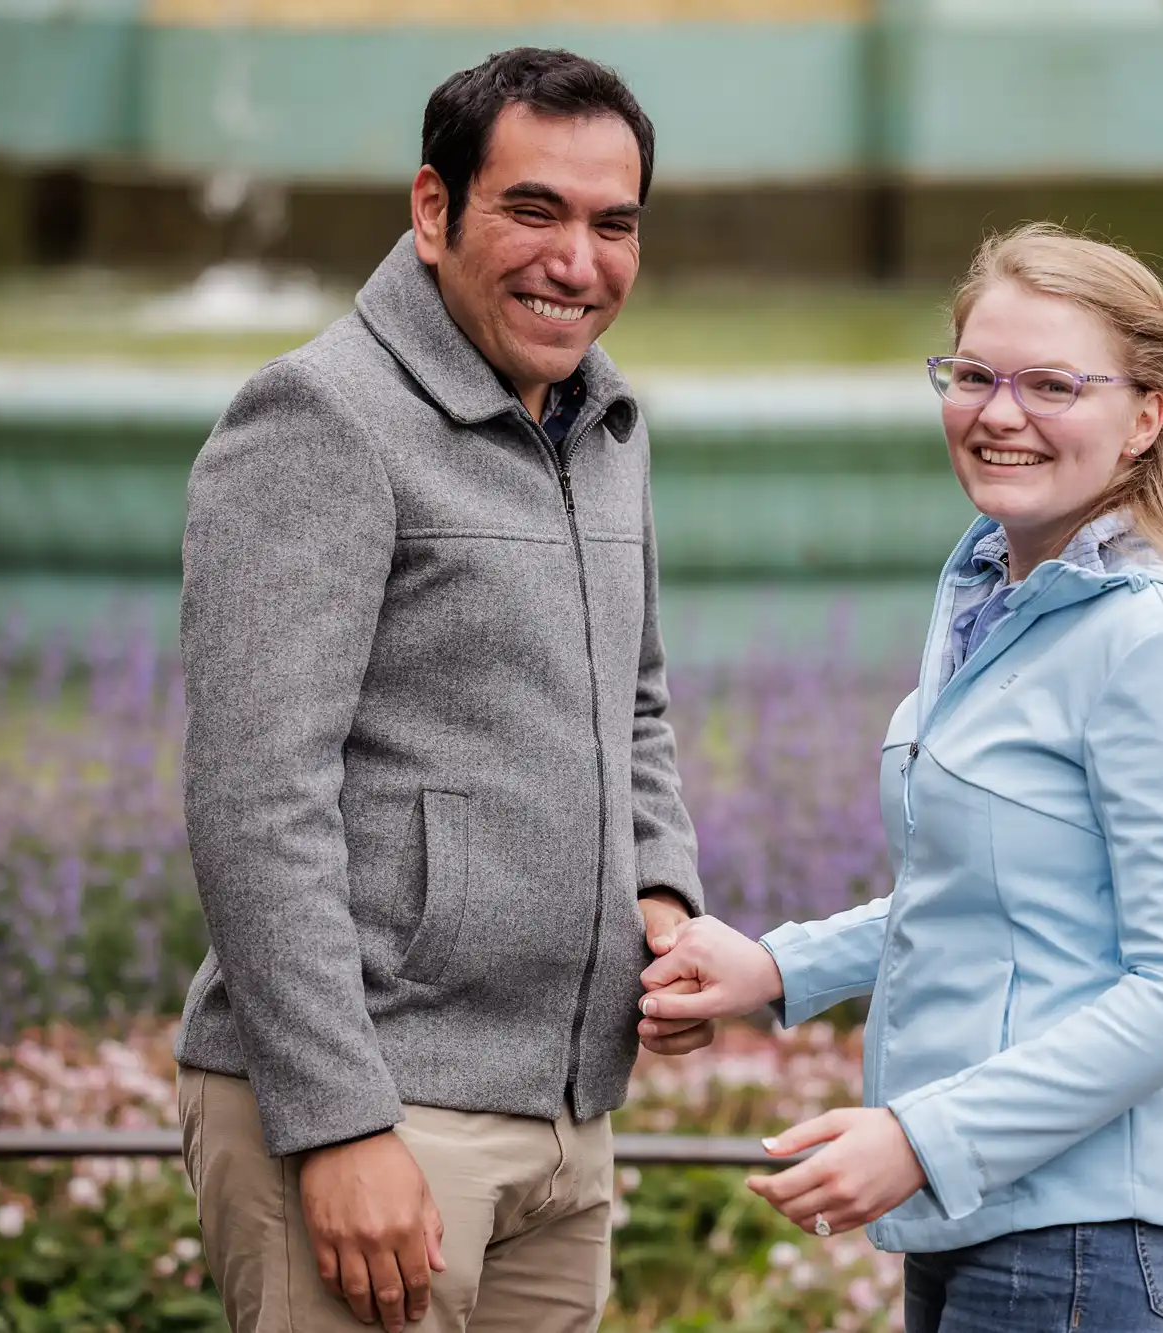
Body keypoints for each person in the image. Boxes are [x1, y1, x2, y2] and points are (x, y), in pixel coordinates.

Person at [638, 224, 1163, 1332]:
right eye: (972, 375)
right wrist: (778, 969)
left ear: (1143, 417)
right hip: (993, 1220)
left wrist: (923, 1137)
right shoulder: (998, 594)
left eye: (1050, 384)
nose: (998, 412)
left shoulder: (1155, 642)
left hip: (1080, 1235)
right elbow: (1004, 897)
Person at [172, 47, 709, 1333]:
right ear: (432, 210)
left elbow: (630, 700)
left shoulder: (599, 419)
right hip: (378, 1116)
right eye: (533, 210)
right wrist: (342, 1123)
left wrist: (660, 889)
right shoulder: (318, 418)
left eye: (611, 223)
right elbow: (256, 797)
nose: (575, 261)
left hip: (565, 1124)